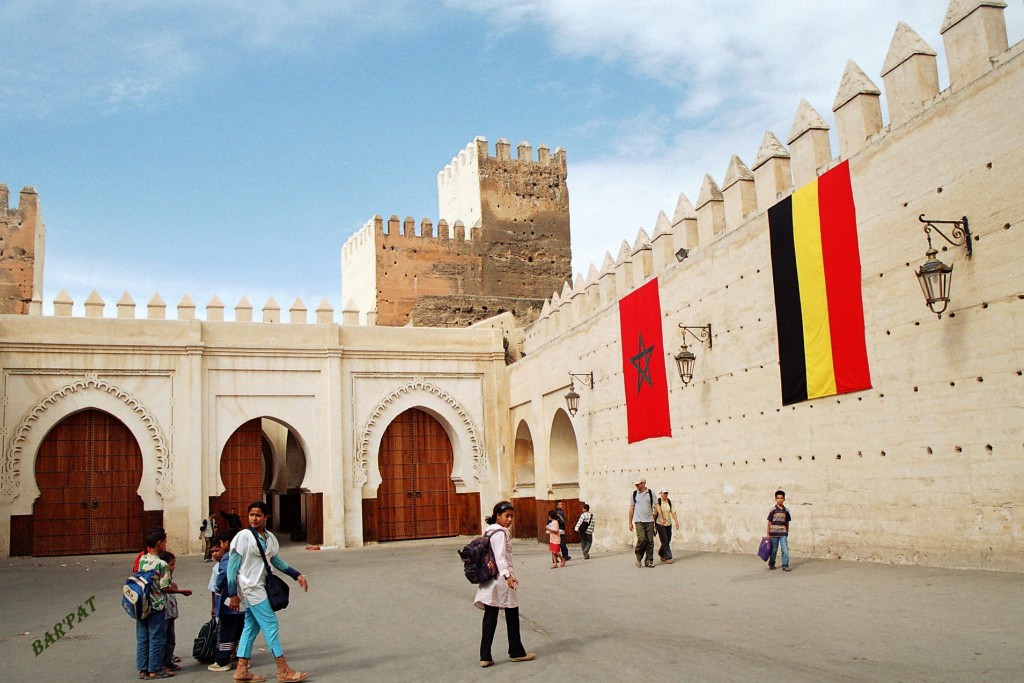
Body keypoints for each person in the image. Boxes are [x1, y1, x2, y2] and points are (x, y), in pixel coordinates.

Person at [227, 501, 310, 682]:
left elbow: (276, 561)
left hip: (262, 585)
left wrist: (296, 575)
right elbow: (231, 568)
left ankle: (241, 669)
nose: (254, 518)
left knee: (251, 625)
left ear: (266, 517)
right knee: (270, 624)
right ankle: (282, 668)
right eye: (251, 515)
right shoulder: (243, 537)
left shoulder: (270, 538)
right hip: (250, 587)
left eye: (258, 515)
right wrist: (232, 594)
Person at [474, 501, 536, 668]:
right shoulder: (500, 533)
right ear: (498, 516)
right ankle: (516, 651)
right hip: (501, 579)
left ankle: (485, 656)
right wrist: (508, 576)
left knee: (490, 616)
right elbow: (500, 557)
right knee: (511, 612)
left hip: (489, 578)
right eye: (506, 516)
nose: (509, 519)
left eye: (511, 516)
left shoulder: (489, 531)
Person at [135, 527, 172, 680]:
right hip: (156, 604)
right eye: (164, 542)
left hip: (142, 603)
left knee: (143, 637)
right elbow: (165, 587)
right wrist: (182, 591)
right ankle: (155, 669)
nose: (165, 544)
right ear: (159, 543)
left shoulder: (142, 559)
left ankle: (143, 668)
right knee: (157, 636)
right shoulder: (162, 564)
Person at [211, 529, 245, 673]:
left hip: (229, 599)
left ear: (226, 543)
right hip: (243, 597)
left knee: (226, 630)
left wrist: (218, 586)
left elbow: (224, 575)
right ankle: (241, 659)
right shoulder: (243, 555)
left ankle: (223, 660)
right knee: (240, 630)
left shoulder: (227, 557)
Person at [158, 551, 192, 674]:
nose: (174, 567)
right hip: (164, 612)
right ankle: (162, 663)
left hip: (170, 612)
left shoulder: (168, 578)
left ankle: (168, 661)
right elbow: (165, 589)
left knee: (170, 639)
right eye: (172, 565)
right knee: (163, 639)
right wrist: (181, 591)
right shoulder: (161, 576)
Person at [628, 477, 656, 568]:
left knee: (650, 541)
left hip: (649, 520)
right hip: (639, 520)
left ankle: (649, 561)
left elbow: (657, 505)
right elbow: (631, 509)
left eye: (638, 484)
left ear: (643, 483)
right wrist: (630, 522)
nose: (636, 486)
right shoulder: (634, 494)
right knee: (642, 539)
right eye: (635, 484)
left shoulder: (651, 493)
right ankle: (639, 557)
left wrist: (661, 518)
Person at [766, 489, 792, 572]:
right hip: (773, 534)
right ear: (775, 499)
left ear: (784, 499)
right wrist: (768, 534)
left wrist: (787, 531)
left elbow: (787, 522)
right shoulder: (772, 510)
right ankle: (772, 563)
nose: (780, 499)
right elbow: (769, 522)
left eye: (781, 498)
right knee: (773, 551)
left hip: (783, 533)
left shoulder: (786, 511)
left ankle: (785, 565)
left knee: (785, 550)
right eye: (778, 498)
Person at [654, 489, 681, 564]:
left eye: (666, 493)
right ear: (661, 493)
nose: (666, 495)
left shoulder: (669, 502)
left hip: (668, 524)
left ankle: (661, 553)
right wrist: (653, 524)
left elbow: (673, 512)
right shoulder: (658, 502)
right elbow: (654, 513)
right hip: (660, 524)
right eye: (664, 493)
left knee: (668, 540)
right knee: (665, 540)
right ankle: (668, 557)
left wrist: (676, 522)